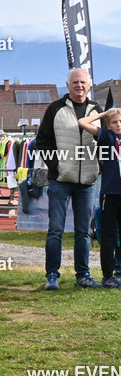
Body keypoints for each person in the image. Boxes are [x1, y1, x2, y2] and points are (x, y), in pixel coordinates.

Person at [34, 68, 103, 290]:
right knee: (56, 230)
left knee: (83, 231)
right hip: (60, 181)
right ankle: (52, 275)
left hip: (87, 183)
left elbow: (107, 142)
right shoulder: (55, 109)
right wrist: (56, 166)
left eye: (83, 82)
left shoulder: (97, 110)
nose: (79, 85)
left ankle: (83, 275)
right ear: (68, 84)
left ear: (89, 85)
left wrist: (98, 166)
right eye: (75, 82)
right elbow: (41, 142)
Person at [77, 107, 121, 288]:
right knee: (109, 237)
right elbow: (82, 122)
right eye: (114, 122)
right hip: (110, 194)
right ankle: (107, 276)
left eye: (120, 121)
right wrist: (105, 114)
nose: (118, 125)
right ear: (108, 125)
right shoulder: (106, 136)